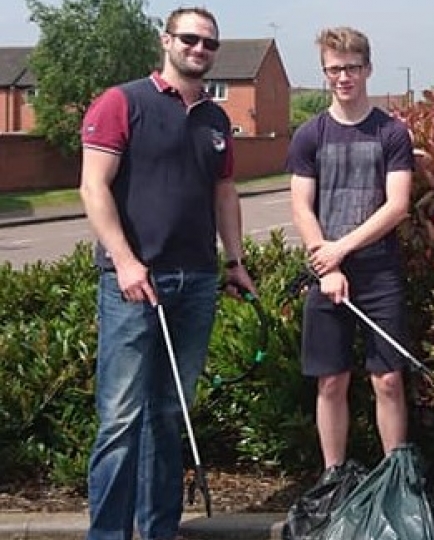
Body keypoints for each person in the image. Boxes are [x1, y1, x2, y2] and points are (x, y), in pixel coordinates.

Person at [79, 7, 254, 540]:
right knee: (120, 420)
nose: (199, 49)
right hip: (133, 285)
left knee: (166, 417)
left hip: (196, 283)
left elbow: (224, 192)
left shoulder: (216, 119)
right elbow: (93, 187)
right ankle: (108, 534)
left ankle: (159, 529)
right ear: (166, 40)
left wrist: (235, 261)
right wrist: (127, 262)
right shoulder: (122, 102)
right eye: (190, 39)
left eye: (209, 43)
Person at [287, 27, 414, 474]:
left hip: (379, 273)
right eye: (335, 69)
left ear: (368, 69)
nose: (344, 77)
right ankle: (333, 476)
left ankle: (396, 478)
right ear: (325, 73)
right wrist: (327, 261)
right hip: (326, 272)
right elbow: (301, 206)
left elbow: (397, 206)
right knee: (330, 382)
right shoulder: (309, 135)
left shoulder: (392, 133)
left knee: (389, 380)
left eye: (352, 68)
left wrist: (339, 250)